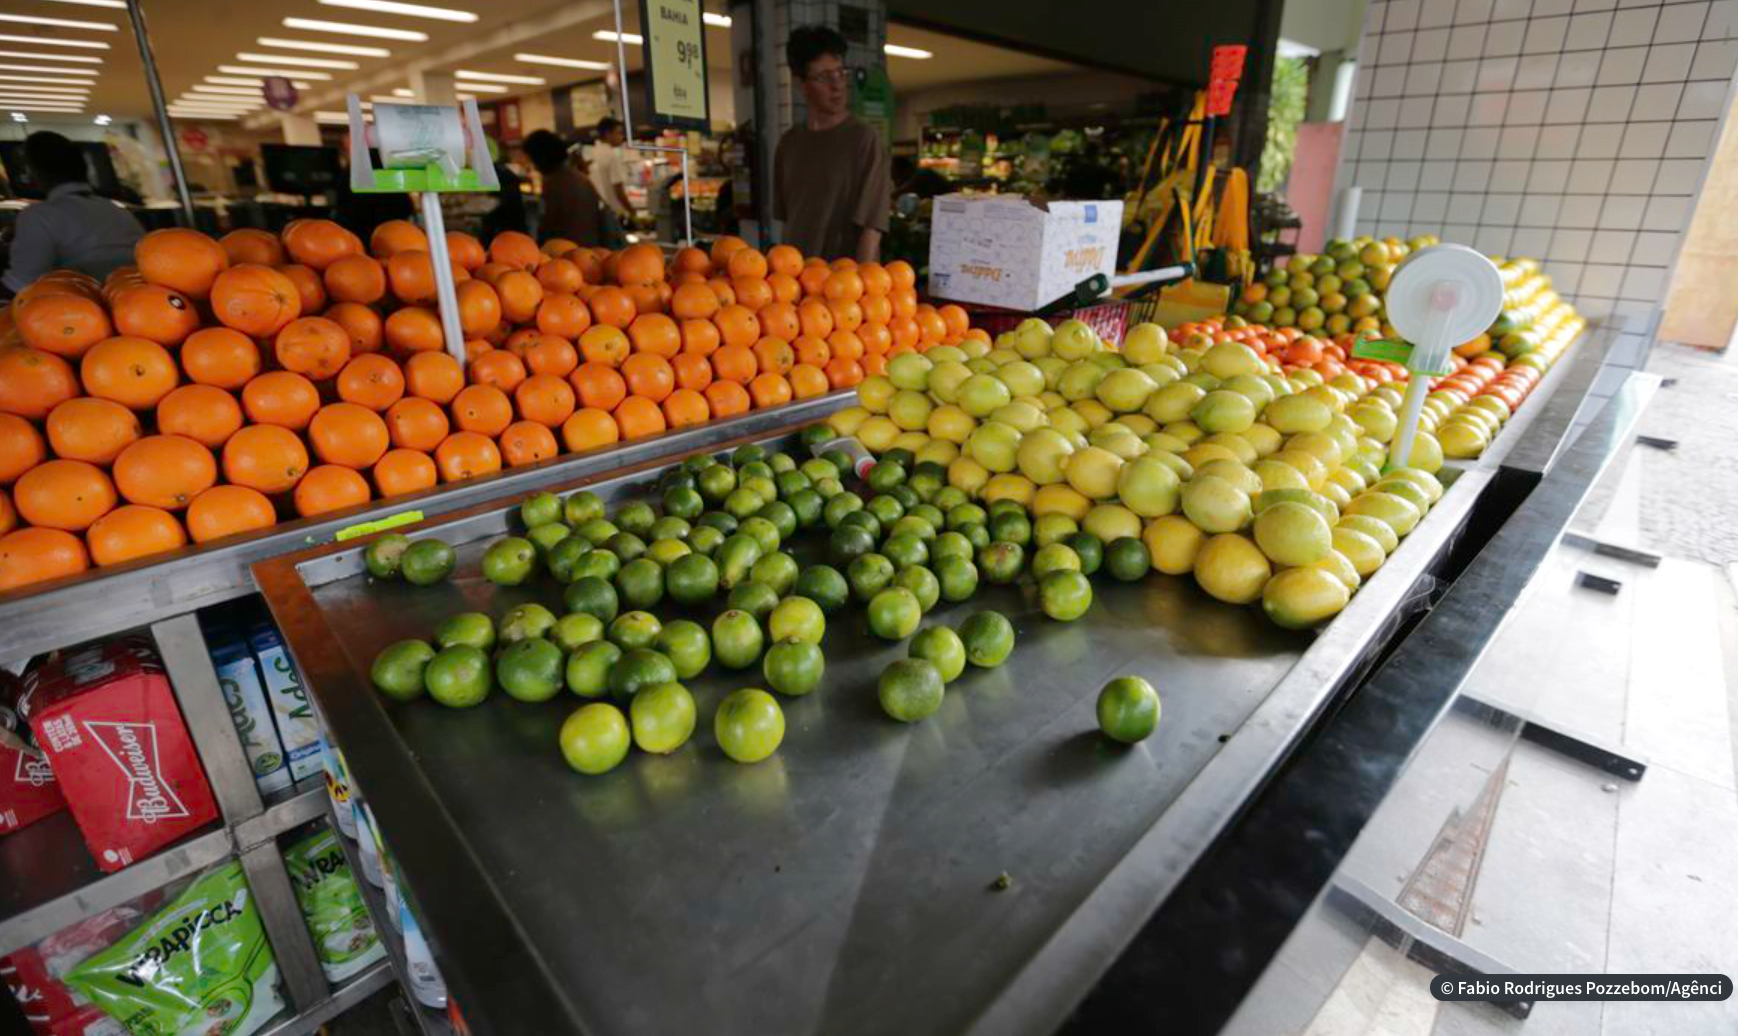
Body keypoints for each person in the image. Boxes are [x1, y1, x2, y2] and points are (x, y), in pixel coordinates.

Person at [774, 26, 890, 262]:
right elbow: (787, 221)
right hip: (793, 285)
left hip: (842, 286)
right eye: (823, 77)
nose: (837, 85)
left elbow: (871, 229)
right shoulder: (788, 144)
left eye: (840, 72)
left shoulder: (864, 139)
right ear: (800, 83)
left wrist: (863, 290)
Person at [2, 131, 144, 293]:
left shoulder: (39, 216)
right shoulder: (117, 210)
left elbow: (21, 282)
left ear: (36, 172)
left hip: (78, 308)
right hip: (135, 300)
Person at [523, 130, 602, 246]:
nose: (534, 166)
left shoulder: (556, 182)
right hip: (589, 248)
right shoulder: (578, 178)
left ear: (541, 157)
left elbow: (548, 225)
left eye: (533, 160)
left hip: (568, 252)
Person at [588, 117, 635, 224]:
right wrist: (632, 211)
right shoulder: (612, 155)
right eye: (619, 133)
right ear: (608, 134)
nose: (622, 137)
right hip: (614, 215)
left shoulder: (592, 153)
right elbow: (618, 188)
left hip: (597, 213)